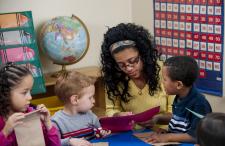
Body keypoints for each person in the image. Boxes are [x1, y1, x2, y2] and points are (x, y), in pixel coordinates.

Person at [100, 23, 174, 120]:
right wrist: (116, 115)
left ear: (143, 55)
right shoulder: (115, 76)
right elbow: (111, 109)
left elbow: (175, 112)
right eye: (121, 65)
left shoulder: (164, 71)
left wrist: (157, 121)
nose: (129, 69)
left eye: (133, 61)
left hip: (162, 132)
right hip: (130, 132)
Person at [144, 56, 212, 143]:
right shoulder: (180, 96)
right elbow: (180, 119)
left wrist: (167, 137)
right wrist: (157, 119)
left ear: (179, 85)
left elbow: (196, 136)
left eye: (165, 79)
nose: (162, 82)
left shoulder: (199, 104)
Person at [0, 62, 61, 146]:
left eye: (30, 91)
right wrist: (5, 132)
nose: (30, 97)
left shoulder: (31, 114)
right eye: (24, 92)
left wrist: (47, 123)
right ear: (6, 93)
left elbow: (55, 144)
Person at [51, 71, 110, 146]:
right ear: (75, 100)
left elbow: (98, 133)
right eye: (90, 97)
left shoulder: (91, 116)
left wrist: (102, 133)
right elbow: (53, 143)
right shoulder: (56, 121)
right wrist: (69, 142)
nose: (94, 101)